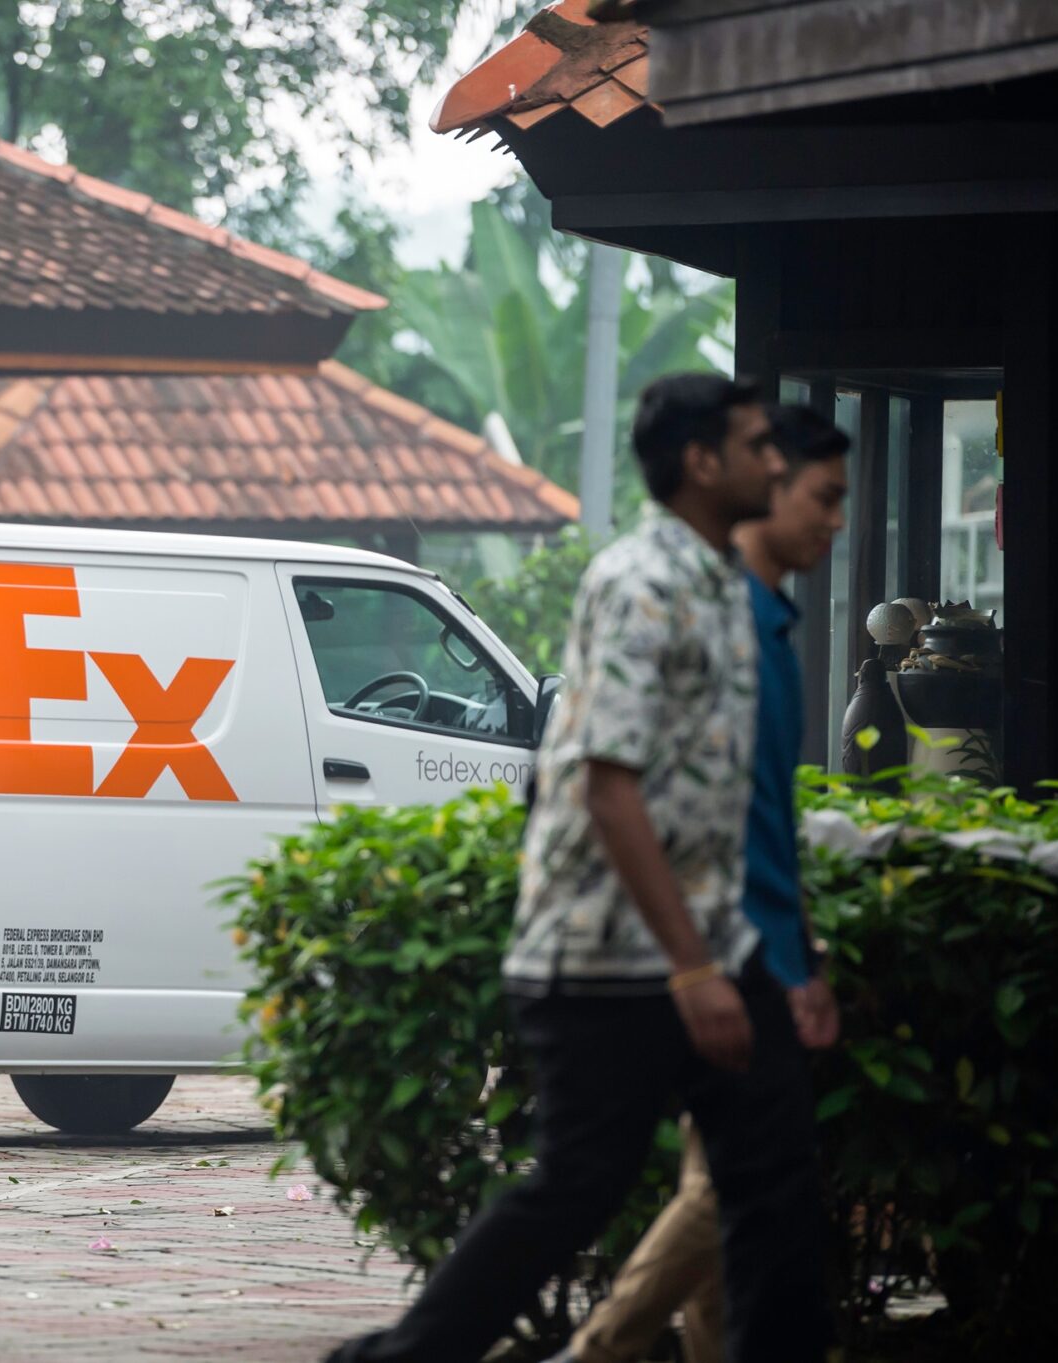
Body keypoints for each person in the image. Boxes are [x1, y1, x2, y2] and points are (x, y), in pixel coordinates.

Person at [329, 373, 830, 1363]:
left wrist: (784, 956)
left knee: (774, 1185)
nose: (775, 463)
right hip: (606, 959)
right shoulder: (639, 584)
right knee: (577, 1187)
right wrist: (693, 968)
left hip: (708, 948)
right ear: (701, 463)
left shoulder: (730, 592)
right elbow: (609, 786)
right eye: (754, 445)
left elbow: (735, 805)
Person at [555, 404, 850, 1363]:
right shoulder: (708, 617)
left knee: (731, 1198)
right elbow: (664, 810)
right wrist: (727, 965)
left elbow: (763, 819)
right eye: (821, 495)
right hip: (715, 958)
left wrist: (801, 952)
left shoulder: (761, 623)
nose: (836, 520)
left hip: (745, 953)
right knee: (731, 1182)